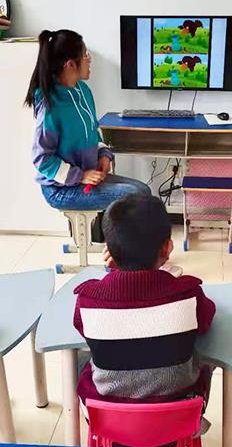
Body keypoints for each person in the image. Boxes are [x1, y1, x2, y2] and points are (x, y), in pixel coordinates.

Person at [73, 193, 216, 415]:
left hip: (109, 418)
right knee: (204, 361)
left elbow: (83, 329)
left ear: (108, 250)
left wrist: (116, 273)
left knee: (79, 359)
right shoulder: (188, 294)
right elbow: (206, 319)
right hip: (179, 417)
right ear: (167, 248)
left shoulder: (88, 300)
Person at [25, 29, 150, 212]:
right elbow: (42, 159)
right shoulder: (50, 107)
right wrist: (80, 176)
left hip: (88, 177)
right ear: (70, 65)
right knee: (138, 196)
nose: (89, 59)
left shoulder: (83, 91)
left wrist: (104, 154)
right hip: (61, 189)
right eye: (85, 55)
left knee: (143, 191)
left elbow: (92, 132)